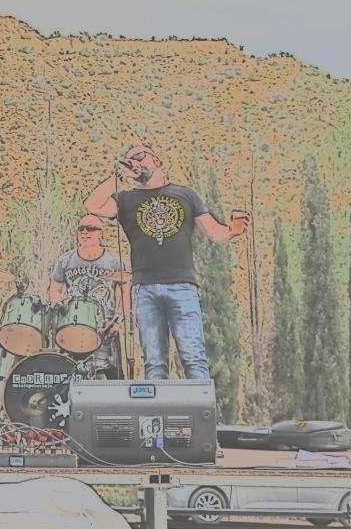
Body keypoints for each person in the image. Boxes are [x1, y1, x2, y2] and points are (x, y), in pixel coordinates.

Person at [84, 144, 250, 380]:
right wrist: (117, 177)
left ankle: (199, 405)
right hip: (144, 288)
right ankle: (157, 405)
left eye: (140, 157)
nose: (135, 162)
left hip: (182, 285)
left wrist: (232, 231)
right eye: (130, 159)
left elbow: (214, 232)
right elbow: (91, 206)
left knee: (193, 357)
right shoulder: (125, 199)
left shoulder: (186, 194)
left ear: (156, 160)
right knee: (154, 362)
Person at [47, 214, 129, 379]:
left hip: (106, 328)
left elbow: (125, 291)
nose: (85, 232)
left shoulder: (114, 260)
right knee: (72, 373)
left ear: (101, 233)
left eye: (91, 228)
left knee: (111, 377)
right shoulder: (65, 260)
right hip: (73, 326)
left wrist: (118, 319)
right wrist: (59, 312)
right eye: (81, 228)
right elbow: (54, 289)